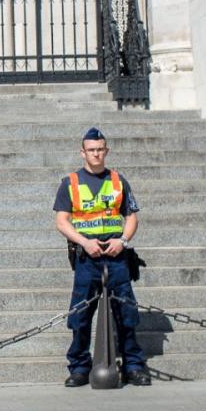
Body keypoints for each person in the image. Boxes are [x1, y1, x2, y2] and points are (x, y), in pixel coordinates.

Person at [53, 127, 149, 387]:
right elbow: (62, 221)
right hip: (88, 256)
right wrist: (85, 242)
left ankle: (133, 366)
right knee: (80, 315)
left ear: (106, 151)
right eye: (91, 150)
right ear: (82, 152)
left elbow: (131, 216)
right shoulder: (70, 182)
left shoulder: (118, 180)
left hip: (116, 255)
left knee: (126, 313)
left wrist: (123, 241)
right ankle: (79, 367)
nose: (96, 154)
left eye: (100, 149)